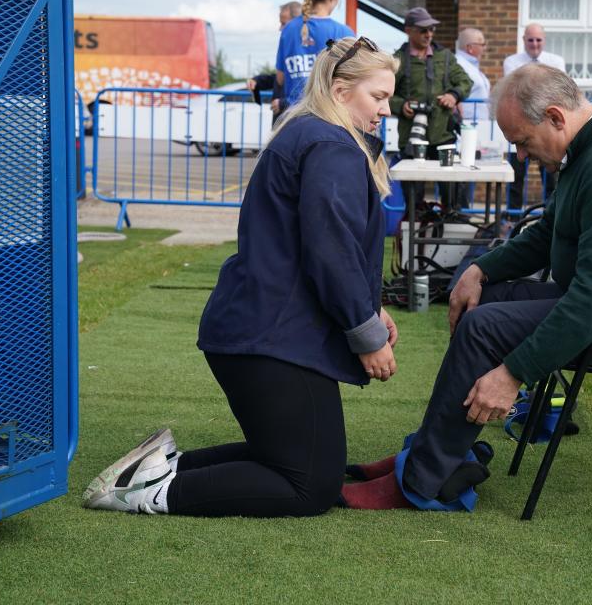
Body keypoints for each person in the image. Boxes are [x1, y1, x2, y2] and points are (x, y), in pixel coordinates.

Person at [339, 64, 592, 513]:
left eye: (521, 141)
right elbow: (548, 234)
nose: (520, 155)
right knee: (488, 301)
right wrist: (481, 272)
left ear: (556, 117)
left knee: (485, 327)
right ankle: (438, 453)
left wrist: (514, 373)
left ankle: (421, 479)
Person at [82, 36, 402, 518]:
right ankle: (150, 493)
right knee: (310, 487)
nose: (384, 110)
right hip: (269, 336)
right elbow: (330, 252)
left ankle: (162, 468)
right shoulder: (330, 143)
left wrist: (370, 308)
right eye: (377, 97)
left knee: (305, 464)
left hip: (262, 328)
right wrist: (366, 333)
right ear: (340, 91)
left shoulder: (311, 133)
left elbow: (321, 245)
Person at [391, 7, 473, 210]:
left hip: (443, 137)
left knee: (451, 194)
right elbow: (384, 94)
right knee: (413, 198)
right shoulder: (397, 60)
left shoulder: (445, 57)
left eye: (432, 29)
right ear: (408, 30)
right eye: (423, 30)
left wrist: (453, 96)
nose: (429, 34)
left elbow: (465, 82)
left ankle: (450, 229)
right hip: (412, 138)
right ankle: (417, 234)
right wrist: (401, 105)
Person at [502, 23, 566, 212]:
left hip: (546, 126)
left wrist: (530, 87)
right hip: (519, 125)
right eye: (530, 40)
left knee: (550, 175)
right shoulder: (511, 61)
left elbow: (558, 92)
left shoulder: (557, 61)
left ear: (544, 41)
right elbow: (514, 92)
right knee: (516, 174)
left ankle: (551, 216)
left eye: (538, 40)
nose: (534, 44)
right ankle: (513, 217)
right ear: (523, 40)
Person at [276, 0, 354, 111]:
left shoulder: (288, 29)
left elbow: (280, 78)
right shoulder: (344, 33)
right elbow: (350, 82)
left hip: (293, 117)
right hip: (328, 118)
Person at [248, 1, 302, 123]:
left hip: (294, 123)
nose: (280, 28)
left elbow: (307, 90)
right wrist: (258, 81)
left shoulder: (306, 52)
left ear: (297, 22)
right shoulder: (289, 49)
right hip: (281, 123)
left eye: (283, 23)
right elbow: (279, 80)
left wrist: (284, 103)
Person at [455, 27, 491, 123]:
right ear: (470, 48)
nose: (485, 48)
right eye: (482, 44)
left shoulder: (470, 65)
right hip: (467, 124)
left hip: (479, 123)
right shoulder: (458, 64)